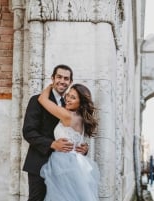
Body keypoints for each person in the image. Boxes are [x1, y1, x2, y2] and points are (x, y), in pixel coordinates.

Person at [23, 64, 77, 201]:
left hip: (63, 167)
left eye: (66, 78)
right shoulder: (37, 100)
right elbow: (28, 131)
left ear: (70, 82)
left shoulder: (69, 105)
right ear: (52, 78)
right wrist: (52, 144)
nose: (62, 81)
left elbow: (73, 132)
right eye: (59, 77)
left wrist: (81, 146)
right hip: (39, 162)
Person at [38, 83, 100, 201]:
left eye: (73, 97)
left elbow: (42, 99)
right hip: (75, 163)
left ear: (81, 102)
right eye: (68, 95)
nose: (68, 99)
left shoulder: (67, 115)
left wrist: (52, 85)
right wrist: (85, 148)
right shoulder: (81, 118)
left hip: (63, 162)